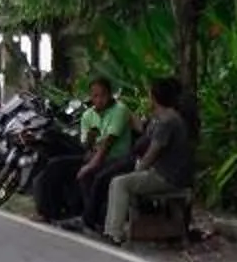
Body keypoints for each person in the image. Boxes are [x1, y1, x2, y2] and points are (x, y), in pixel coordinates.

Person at [104, 75, 194, 245]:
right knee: (122, 180)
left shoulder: (167, 121)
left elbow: (153, 152)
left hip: (167, 177)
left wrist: (138, 170)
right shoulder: (166, 117)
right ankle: (113, 229)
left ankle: (114, 233)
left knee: (120, 183)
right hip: (167, 173)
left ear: (154, 97)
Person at [39, 75, 124, 227]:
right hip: (92, 157)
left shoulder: (119, 110)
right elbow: (86, 145)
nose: (99, 100)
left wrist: (90, 165)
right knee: (54, 165)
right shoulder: (88, 115)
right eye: (95, 96)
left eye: (103, 95)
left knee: (89, 173)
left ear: (110, 95)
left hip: (114, 158)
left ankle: (89, 220)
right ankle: (51, 214)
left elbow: (107, 144)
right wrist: (90, 139)